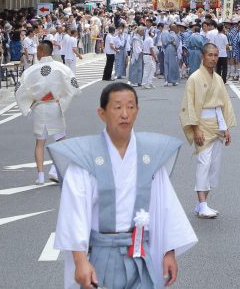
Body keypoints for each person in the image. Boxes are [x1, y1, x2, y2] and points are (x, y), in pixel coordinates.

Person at [50, 83, 197, 289]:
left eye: (130, 107)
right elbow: (73, 213)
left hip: (140, 253)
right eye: (117, 107)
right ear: (102, 113)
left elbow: (166, 206)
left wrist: (169, 252)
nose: (125, 114)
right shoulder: (86, 158)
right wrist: (80, 261)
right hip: (100, 253)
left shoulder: (149, 156)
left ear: (137, 110)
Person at [179, 43, 235, 219]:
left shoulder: (218, 78)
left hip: (217, 124)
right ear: (202, 56)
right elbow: (189, 104)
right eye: (210, 55)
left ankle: (201, 204)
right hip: (201, 124)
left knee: (214, 166)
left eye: (216, 55)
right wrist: (195, 128)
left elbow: (223, 104)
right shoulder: (194, 78)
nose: (213, 58)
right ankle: (202, 204)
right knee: (204, 163)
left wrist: (225, 128)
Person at [16, 39, 80, 185]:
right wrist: (62, 99)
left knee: (40, 142)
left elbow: (20, 89)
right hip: (54, 106)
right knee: (61, 141)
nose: (37, 53)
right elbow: (73, 86)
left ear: (41, 51)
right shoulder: (61, 68)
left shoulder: (31, 71)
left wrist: (29, 103)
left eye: (38, 51)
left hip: (39, 107)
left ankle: (41, 177)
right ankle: (55, 170)